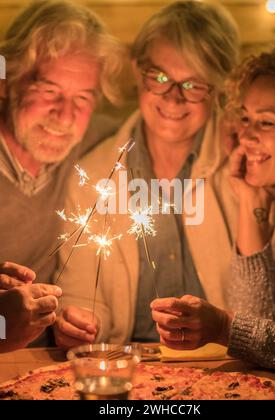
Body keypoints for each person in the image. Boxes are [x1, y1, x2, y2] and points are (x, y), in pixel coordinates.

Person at [54, 0, 240, 349]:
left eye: (193, 84)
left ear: (219, 86)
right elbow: (79, 291)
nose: (173, 99)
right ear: (137, 69)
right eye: (160, 77)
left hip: (228, 364)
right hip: (127, 365)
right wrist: (79, 321)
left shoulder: (244, 169)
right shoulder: (93, 175)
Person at [151, 49, 275, 373]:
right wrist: (249, 200)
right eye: (245, 118)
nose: (246, 135)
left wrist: (223, 326)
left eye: (267, 122)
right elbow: (266, 342)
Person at [0, 0, 123, 350]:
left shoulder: (98, 146)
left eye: (82, 98)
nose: (66, 117)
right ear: (6, 83)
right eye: (49, 90)